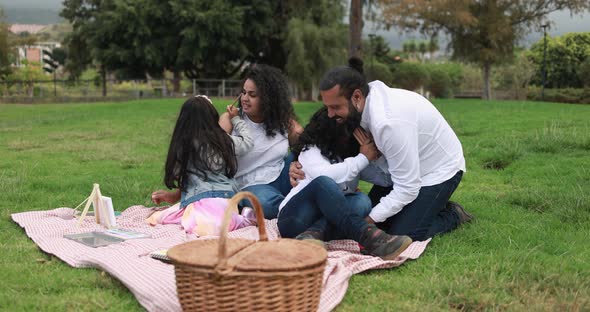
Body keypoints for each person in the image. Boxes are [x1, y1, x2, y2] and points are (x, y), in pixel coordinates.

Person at [291, 58, 473, 242]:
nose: (330, 114)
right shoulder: (363, 103)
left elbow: (407, 187)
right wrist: (302, 165)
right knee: (379, 221)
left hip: (438, 171)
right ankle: (426, 207)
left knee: (401, 234)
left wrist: (366, 225)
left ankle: (452, 214)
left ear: (357, 97)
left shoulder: (388, 124)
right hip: (400, 172)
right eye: (327, 107)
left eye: (335, 107)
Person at [278, 107, 413, 260]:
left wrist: (378, 153)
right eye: (349, 131)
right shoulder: (310, 150)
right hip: (293, 220)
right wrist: (362, 158)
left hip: (319, 228)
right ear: (330, 131)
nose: (351, 137)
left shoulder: (349, 158)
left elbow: (386, 179)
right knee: (322, 182)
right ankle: (369, 237)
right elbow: (325, 176)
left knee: (361, 201)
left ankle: (313, 235)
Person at [148, 95, 256, 236]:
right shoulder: (223, 140)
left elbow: (182, 177)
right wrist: (236, 119)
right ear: (212, 117)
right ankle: (239, 220)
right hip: (224, 198)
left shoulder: (182, 145)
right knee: (205, 222)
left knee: (165, 219)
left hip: (197, 199)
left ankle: (233, 220)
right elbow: (248, 142)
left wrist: (175, 196)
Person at [218, 64, 303, 219]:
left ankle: (300, 203)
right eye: (243, 92)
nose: (244, 98)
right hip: (251, 185)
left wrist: (296, 163)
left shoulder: (283, 121)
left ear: (269, 99)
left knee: (308, 159)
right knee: (264, 204)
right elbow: (209, 156)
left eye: (252, 95)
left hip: (282, 176)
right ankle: (301, 207)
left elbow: (305, 142)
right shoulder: (230, 120)